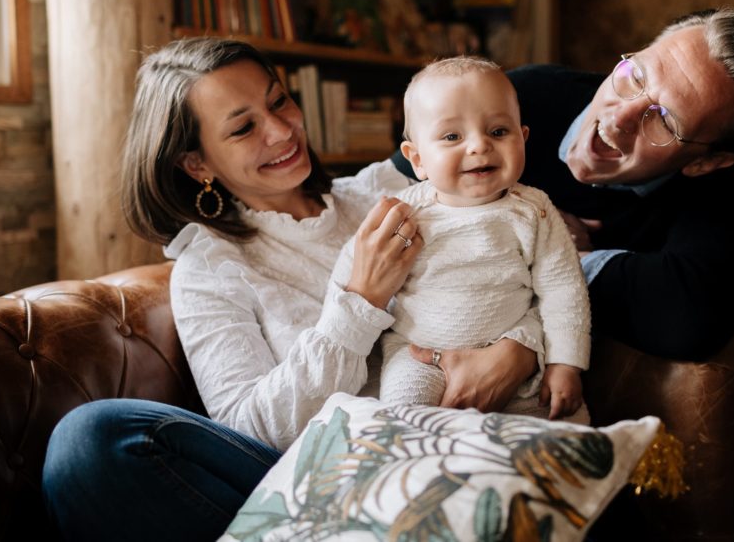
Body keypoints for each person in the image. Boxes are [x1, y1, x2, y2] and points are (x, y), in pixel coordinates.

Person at [41, 37, 540, 542]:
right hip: (312, 471)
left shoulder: (387, 190)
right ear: (198, 165)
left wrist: (522, 349)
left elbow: (539, 264)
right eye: (243, 128)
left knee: (531, 85)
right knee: (90, 440)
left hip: (454, 436)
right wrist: (358, 301)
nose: (282, 130)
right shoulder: (209, 267)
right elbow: (248, 430)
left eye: (278, 100)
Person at [392, 7, 734, 361]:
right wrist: (526, 235)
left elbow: (689, 320)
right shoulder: (520, 97)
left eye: (665, 120)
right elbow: (380, 196)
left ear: (706, 161)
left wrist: (555, 257)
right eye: (635, 75)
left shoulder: (727, 178)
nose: (619, 117)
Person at [332, 56, 591, 420]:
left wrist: (566, 364)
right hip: (417, 357)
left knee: (563, 421)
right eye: (453, 136)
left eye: (499, 132)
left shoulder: (534, 211)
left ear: (523, 138)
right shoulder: (403, 213)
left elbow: (564, 289)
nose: (479, 146)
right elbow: (349, 274)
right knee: (400, 422)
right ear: (417, 160)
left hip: (512, 360)